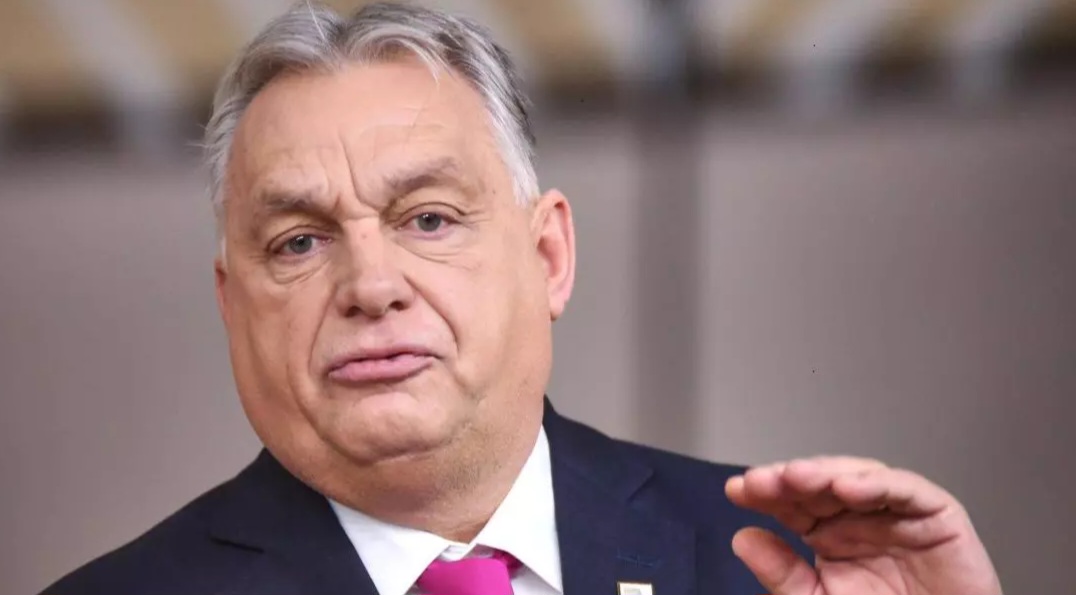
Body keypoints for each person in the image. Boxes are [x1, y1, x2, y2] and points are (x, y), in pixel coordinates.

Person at [42, 3, 1002, 595]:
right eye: (299, 241)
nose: (371, 286)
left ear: (548, 255)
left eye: (428, 219)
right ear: (232, 303)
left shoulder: (781, 561)